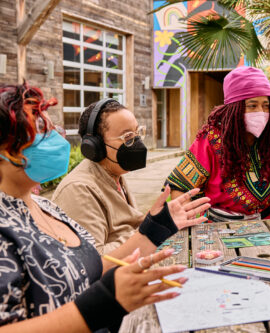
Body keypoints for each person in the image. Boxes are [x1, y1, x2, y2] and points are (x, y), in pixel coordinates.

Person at [0, 83, 209, 331]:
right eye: (35, 130)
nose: (53, 137)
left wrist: (157, 226)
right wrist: (102, 304)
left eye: (47, 125)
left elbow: (93, 266)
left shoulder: (45, 207)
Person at [52, 98, 210, 254]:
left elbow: (129, 227)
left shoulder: (115, 175)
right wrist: (151, 230)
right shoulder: (78, 190)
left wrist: (160, 219)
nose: (136, 142)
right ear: (95, 147)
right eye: (127, 137)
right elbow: (92, 261)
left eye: (138, 133)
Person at [164, 66, 270, 221]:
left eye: (266, 105)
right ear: (234, 108)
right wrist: (186, 220)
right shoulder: (211, 139)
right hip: (221, 228)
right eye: (252, 105)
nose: (261, 112)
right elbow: (181, 185)